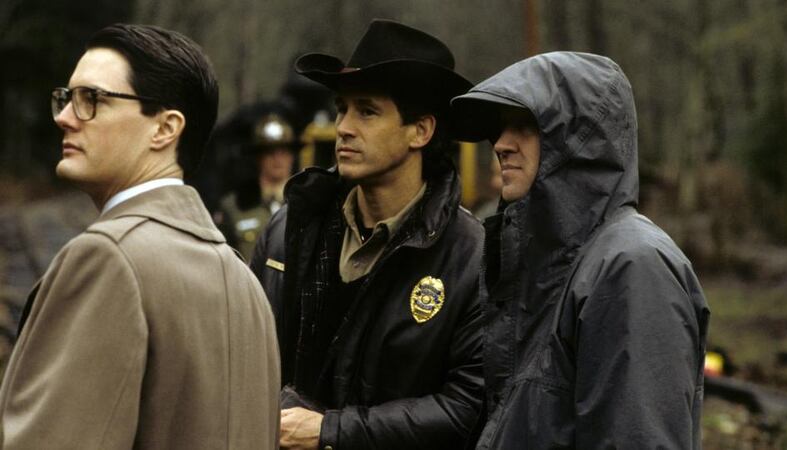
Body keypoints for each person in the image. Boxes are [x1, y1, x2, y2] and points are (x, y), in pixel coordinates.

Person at [0, 24, 280, 449]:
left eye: (92, 99)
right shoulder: (245, 283)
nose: (64, 117)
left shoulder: (107, 258)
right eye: (66, 97)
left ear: (165, 129)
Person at [450, 51, 710, 448]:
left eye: (524, 125)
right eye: (500, 128)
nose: (500, 144)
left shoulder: (632, 266)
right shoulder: (545, 265)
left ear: (579, 139)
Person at [249, 19, 484, 449]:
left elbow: (466, 407)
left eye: (367, 111)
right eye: (342, 109)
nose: (343, 127)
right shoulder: (289, 228)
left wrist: (330, 431)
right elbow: (246, 357)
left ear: (421, 131)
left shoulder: (469, 256)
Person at [217, 112, 300, 261]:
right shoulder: (234, 207)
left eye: (284, 150)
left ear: (292, 155)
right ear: (258, 157)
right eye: (270, 151)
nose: (277, 158)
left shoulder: (307, 203)